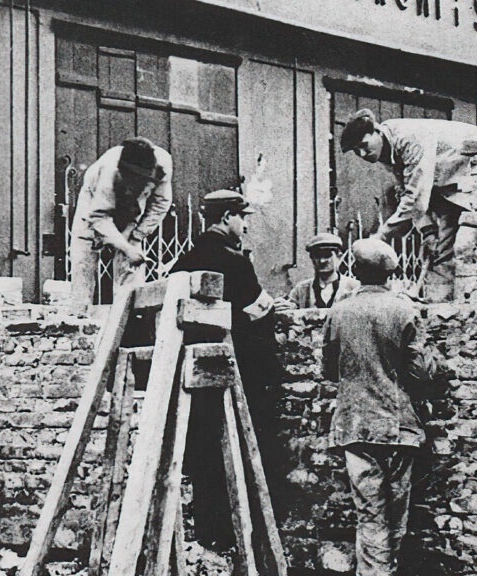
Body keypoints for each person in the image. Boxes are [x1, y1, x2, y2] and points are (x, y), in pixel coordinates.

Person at [170, 189, 283, 546]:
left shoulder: (186, 259)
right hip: (238, 372)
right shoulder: (234, 260)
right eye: (242, 217)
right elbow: (258, 311)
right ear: (226, 218)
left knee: (203, 453)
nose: (245, 225)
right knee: (245, 452)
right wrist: (271, 310)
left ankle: (208, 535)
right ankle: (242, 537)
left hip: (195, 372)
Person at [322, 238, 437, 576]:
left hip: (355, 427)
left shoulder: (338, 311)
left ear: (355, 271)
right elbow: (421, 373)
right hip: (398, 429)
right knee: (396, 517)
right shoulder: (403, 310)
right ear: (391, 274)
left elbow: (329, 371)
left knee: (369, 517)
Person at [339, 109, 477, 301]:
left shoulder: (408, 138)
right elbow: (409, 189)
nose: (363, 154)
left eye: (364, 145)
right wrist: (428, 231)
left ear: (377, 131)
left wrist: (382, 235)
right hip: (449, 183)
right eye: (357, 151)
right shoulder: (386, 150)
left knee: (472, 245)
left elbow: (416, 196)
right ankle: (440, 307)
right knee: (439, 250)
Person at [69, 137, 172, 305]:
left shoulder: (163, 164)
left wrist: (136, 236)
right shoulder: (107, 173)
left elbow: (161, 202)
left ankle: (131, 319)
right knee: (83, 261)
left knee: (132, 267)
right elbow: (99, 216)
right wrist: (124, 246)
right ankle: (79, 316)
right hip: (95, 207)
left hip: (132, 214)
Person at [277, 232, 360, 310]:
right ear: (312, 259)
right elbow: (290, 312)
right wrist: (284, 306)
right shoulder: (301, 290)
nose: (322, 261)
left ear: (338, 257)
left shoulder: (354, 287)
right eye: (317, 256)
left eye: (327, 256)